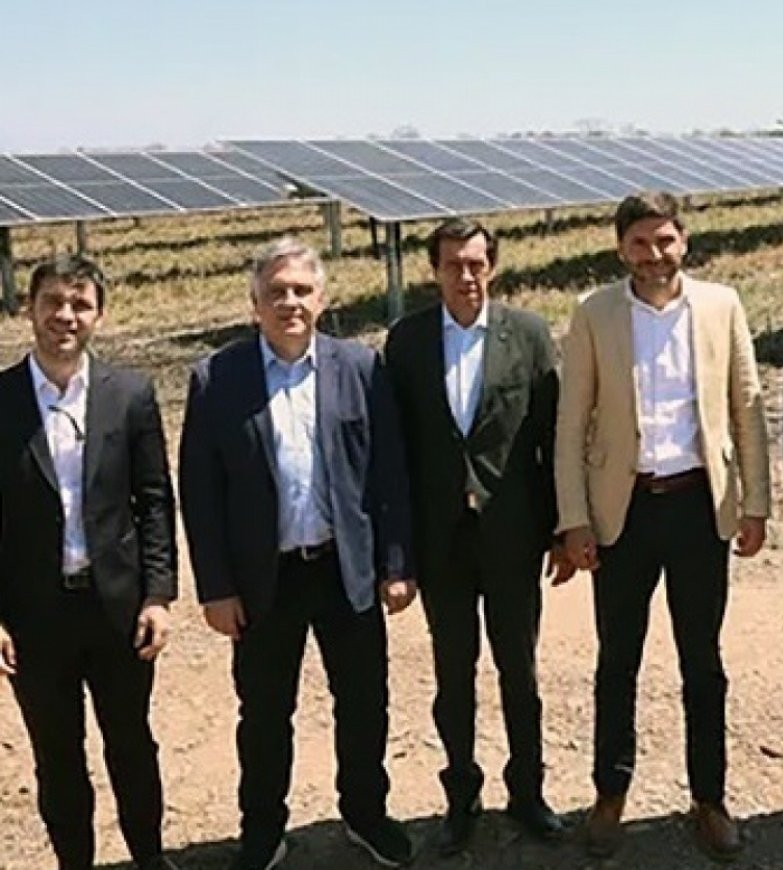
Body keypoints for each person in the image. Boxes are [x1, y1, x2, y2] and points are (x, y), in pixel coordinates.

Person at [178, 238, 416, 870]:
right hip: (264, 579)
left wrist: (396, 564)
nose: (290, 302)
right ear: (255, 303)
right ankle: (262, 829)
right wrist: (216, 588)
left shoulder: (359, 368)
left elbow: (389, 474)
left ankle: (365, 813)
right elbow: (200, 493)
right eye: (276, 291)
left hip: (345, 570)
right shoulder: (217, 379)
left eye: (302, 291)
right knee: (263, 713)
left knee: (363, 703)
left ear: (322, 299)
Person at [554, 191, 771, 861]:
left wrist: (756, 504)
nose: (654, 255)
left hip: (698, 506)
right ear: (621, 248)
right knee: (617, 659)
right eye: (640, 243)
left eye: (665, 241)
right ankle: (609, 793)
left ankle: (709, 798)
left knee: (702, 661)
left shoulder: (720, 306)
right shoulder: (594, 313)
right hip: (623, 510)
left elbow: (746, 406)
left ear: (684, 241)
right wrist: (573, 519)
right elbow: (570, 422)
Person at [385, 218, 569, 855]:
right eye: (453, 265)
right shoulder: (407, 341)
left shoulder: (529, 334)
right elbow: (396, 450)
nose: (465, 276)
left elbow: (552, 437)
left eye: (475, 264)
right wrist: (398, 551)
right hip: (441, 540)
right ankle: (461, 798)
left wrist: (560, 529)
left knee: (520, 670)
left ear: (492, 266)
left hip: (512, 535)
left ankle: (528, 793)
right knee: (453, 672)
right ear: (434, 270)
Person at [0, 255, 178, 870]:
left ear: (99, 314)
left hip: (118, 610)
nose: (65, 316)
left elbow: (154, 501)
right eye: (52, 301)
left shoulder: (128, 395)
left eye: (80, 304)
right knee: (57, 755)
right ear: (29, 309)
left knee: (131, 744)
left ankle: (149, 857)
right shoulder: (1, 399)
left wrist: (158, 595)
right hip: (34, 616)